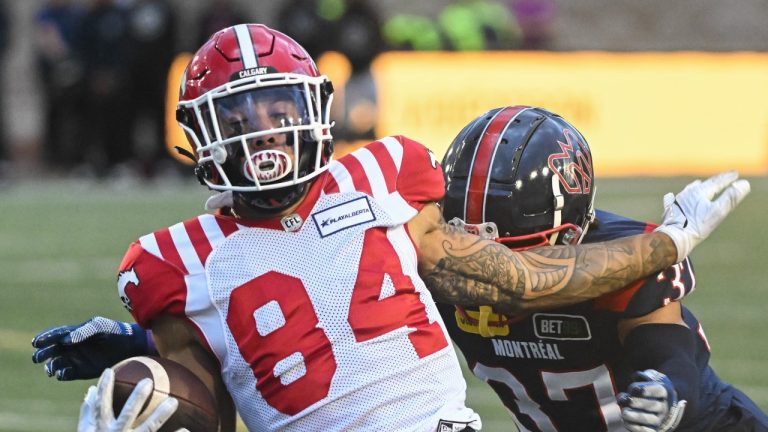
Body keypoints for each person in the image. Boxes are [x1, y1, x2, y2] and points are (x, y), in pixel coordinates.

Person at [31, 25, 750, 432]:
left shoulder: (386, 174)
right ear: (196, 134)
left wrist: (665, 243)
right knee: (134, 409)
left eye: (279, 111)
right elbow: (211, 398)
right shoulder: (167, 261)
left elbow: (517, 281)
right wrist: (145, 361)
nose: (266, 138)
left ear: (315, 107)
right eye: (240, 120)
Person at [437, 105, 767, 431]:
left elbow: (669, 351)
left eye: (512, 254)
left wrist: (666, 389)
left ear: (572, 236)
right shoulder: (427, 260)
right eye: (466, 248)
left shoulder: (621, 261)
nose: (483, 270)